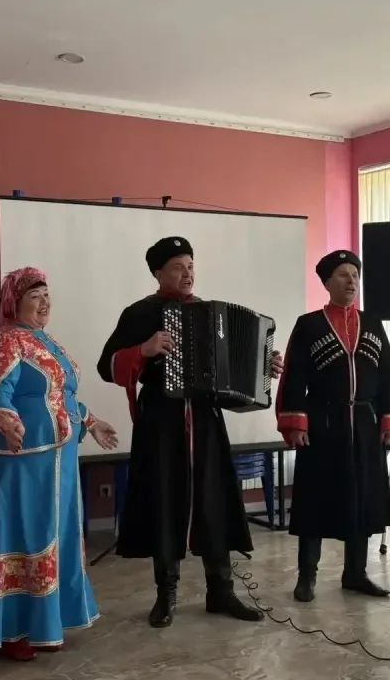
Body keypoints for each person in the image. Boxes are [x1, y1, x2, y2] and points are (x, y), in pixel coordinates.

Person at [97, 236, 283, 628]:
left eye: (191, 265)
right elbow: (106, 365)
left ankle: (221, 590)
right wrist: (142, 350)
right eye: (178, 267)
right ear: (158, 273)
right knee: (165, 501)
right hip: (161, 422)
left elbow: (231, 372)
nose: (188, 273)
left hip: (205, 422)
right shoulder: (139, 313)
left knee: (214, 499)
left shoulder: (209, 312)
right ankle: (166, 593)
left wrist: (264, 365)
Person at [0, 268, 119, 658]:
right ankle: (13, 630)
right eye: (35, 296)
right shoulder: (4, 341)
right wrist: (6, 419)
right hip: (21, 459)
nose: (45, 302)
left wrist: (91, 421)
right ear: (14, 302)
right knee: (24, 535)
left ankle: (46, 622)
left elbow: (62, 394)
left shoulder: (46, 341)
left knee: (56, 535)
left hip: (57, 459)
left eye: (47, 295)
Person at [277, 250, 390, 602]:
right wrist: (296, 422)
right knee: (315, 499)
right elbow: (293, 377)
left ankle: (356, 573)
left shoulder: (373, 323)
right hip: (323, 423)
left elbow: (386, 377)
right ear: (327, 282)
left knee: (362, 498)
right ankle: (307, 576)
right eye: (343, 275)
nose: (351, 281)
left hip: (365, 424)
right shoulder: (309, 325)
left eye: (355, 275)